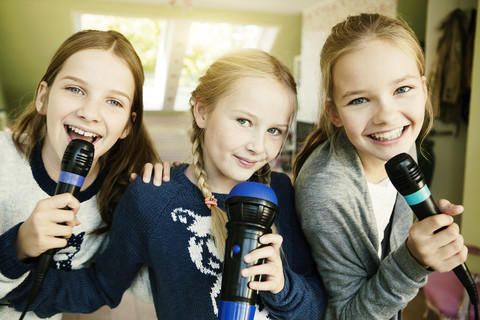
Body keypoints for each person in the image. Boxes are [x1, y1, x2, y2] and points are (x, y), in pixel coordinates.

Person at [2, 48, 326, 319]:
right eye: (244, 121)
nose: (258, 145)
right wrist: (12, 281)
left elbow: (315, 304)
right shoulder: (152, 197)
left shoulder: (282, 190)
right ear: (201, 111)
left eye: (274, 130)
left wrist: (283, 287)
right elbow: (99, 286)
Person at [293, 13, 467, 320]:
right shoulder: (327, 192)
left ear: (424, 89)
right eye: (359, 100)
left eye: (402, 89)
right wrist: (413, 261)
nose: (387, 116)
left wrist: (423, 245)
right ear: (334, 112)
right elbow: (346, 315)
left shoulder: (401, 144)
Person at [0, 29, 171, 319]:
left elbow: (146, 287)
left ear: (128, 126)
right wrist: (18, 247)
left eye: (114, 101)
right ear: (43, 97)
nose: (90, 113)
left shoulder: (122, 195)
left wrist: (164, 210)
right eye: (75, 89)